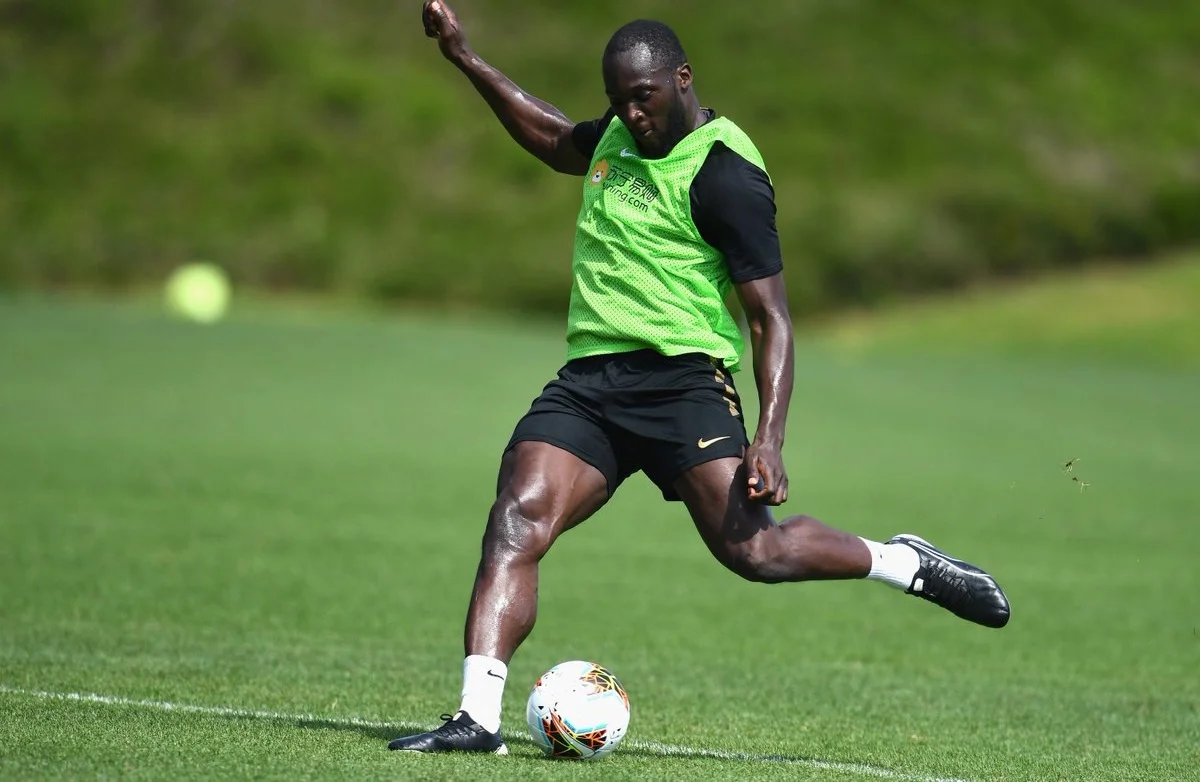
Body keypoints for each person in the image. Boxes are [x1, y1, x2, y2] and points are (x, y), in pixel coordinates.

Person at [390, 0, 1011, 755]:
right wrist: (464, 56)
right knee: (516, 519)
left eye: (643, 97)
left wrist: (769, 438)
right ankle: (477, 718)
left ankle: (902, 562)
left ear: (682, 79)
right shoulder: (618, 136)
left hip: (684, 385)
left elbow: (770, 318)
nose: (631, 114)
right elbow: (553, 137)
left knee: (758, 555)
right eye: (618, 100)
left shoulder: (726, 175)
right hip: (590, 383)